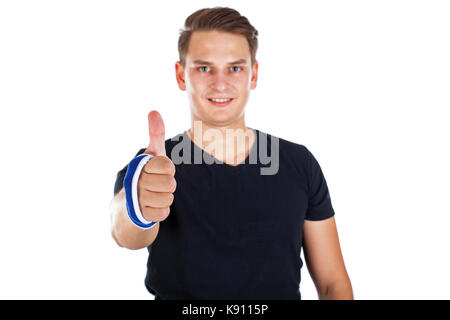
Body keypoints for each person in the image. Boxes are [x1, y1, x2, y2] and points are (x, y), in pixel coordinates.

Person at [110, 6, 353, 300]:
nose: (220, 83)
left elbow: (332, 284)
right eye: (204, 68)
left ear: (254, 74)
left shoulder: (299, 164)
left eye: (235, 68)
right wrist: (138, 209)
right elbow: (124, 232)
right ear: (181, 75)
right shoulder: (153, 168)